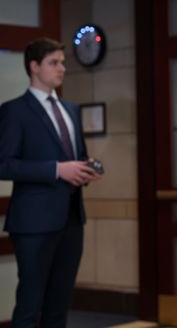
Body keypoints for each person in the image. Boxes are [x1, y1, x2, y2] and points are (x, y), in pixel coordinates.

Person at [0, 37, 103, 327]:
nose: (62, 68)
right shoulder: (15, 111)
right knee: (30, 306)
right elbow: (4, 164)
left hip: (71, 220)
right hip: (33, 223)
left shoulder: (71, 109)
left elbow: (76, 158)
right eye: (54, 63)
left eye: (63, 62)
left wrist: (86, 170)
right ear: (34, 67)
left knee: (59, 306)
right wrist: (57, 170)